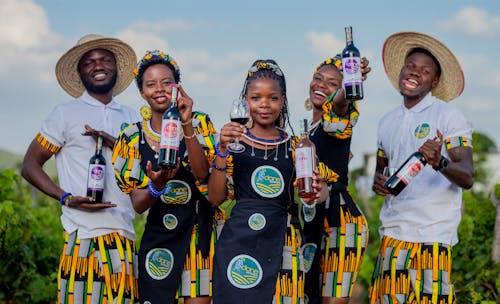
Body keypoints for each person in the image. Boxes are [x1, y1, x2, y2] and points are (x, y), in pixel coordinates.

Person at [21, 34, 140, 303]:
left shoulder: (132, 118)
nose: (98, 66)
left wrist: (117, 145)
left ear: (116, 67)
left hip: (123, 236)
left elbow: (140, 173)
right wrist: (65, 198)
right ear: (80, 72)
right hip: (82, 236)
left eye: (105, 60)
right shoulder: (64, 113)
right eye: (89, 62)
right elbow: (30, 165)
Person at [208, 59, 336, 303]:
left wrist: (318, 191)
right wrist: (222, 149)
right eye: (256, 98)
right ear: (246, 100)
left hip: (282, 239)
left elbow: (315, 195)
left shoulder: (297, 145)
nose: (264, 105)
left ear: (283, 101)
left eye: (273, 98)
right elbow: (215, 198)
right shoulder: (233, 140)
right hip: (238, 240)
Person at [369, 31, 474, 303]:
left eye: (425, 70)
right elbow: (381, 170)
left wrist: (439, 161)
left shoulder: (449, 116)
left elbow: (467, 176)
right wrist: (378, 183)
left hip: (433, 236)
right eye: (410, 66)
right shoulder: (386, 121)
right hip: (393, 233)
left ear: (435, 80)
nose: (415, 73)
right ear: (401, 70)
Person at [112, 50, 218, 304]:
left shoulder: (199, 122)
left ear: (177, 88)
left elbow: (204, 176)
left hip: (198, 232)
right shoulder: (131, 137)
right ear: (142, 93)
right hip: (160, 235)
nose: (159, 89)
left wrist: (187, 124)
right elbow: (137, 204)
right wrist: (156, 186)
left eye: (166, 82)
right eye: (151, 84)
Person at [302, 56, 371, 304]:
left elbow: (341, 103)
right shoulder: (306, 130)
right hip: (311, 221)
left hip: (341, 222)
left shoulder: (337, 121)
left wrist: (351, 85)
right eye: (318, 78)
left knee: (333, 300)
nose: (322, 85)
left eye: (333, 83)